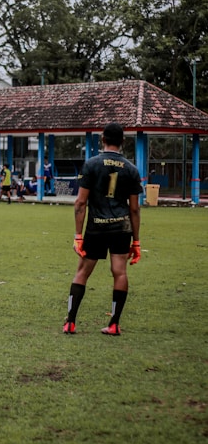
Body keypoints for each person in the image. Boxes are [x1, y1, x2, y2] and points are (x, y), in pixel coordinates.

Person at [63, 122, 143, 336]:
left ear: (102, 139)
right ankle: (114, 324)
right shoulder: (132, 169)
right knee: (120, 272)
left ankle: (70, 322)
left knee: (82, 272)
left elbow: (80, 203)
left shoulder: (91, 164)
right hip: (122, 227)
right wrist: (136, 241)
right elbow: (134, 209)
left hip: (96, 228)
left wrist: (78, 236)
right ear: (123, 142)